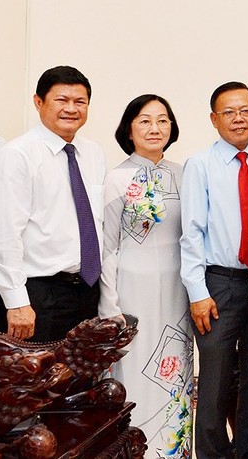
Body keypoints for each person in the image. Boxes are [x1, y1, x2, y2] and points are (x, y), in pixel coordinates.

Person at [180, 82, 248, 459]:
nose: (238, 118)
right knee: (215, 381)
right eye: (229, 112)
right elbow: (192, 233)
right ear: (213, 119)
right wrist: (197, 292)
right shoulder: (200, 164)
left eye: (245, 110)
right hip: (219, 283)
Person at [100, 94, 193, 457]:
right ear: (129, 129)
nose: (155, 128)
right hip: (131, 290)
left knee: (174, 372)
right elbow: (107, 247)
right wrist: (109, 306)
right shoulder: (116, 178)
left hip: (177, 291)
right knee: (134, 369)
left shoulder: (185, 173)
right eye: (144, 120)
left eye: (162, 120)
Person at [0, 66, 107, 341]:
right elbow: (5, 233)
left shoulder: (93, 153)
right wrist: (16, 300)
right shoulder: (17, 154)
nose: (71, 108)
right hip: (39, 296)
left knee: (82, 370)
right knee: (41, 369)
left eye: (80, 101)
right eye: (61, 100)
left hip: (87, 290)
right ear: (39, 102)